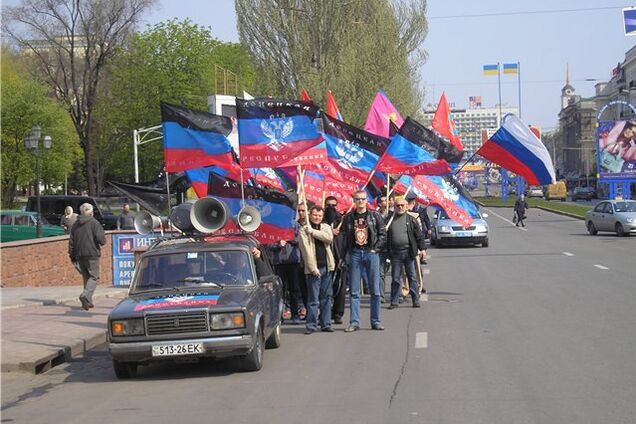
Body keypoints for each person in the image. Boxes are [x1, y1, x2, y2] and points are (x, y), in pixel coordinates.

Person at [341, 189, 387, 332]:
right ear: (354, 201)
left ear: (367, 200)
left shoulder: (374, 216)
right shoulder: (349, 218)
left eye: (362, 199)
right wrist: (343, 256)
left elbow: (382, 234)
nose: (360, 202)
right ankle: (354, 322)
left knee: (375, 290)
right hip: (355, 253)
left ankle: (376, 321)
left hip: (370, 253)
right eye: (357, 199)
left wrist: (375, 248)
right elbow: (344, 238)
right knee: (354, 291)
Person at [298, 206, 335, 334]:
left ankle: (326, 324)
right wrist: (313, 268)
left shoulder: (325, 227)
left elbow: (329, 238)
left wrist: (313, 232)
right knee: (313, 299)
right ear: (310, 214)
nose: (317, 218)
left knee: (326, 297)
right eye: (315, 215)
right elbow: (306, 251)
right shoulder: (303, 230)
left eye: (319, 216)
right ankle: (311, 325)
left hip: (327, 266)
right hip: (313, 269)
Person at [386, 196, 427, 308]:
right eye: (397, 205)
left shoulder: (411, 219)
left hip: (408, 253)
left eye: (402, 205)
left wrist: (422, 249)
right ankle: (394, 302)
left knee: (412, 277)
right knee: (395, 278)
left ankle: (415, 300)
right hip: (395, 254)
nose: (400, 207)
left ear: (406, 206)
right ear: (394, 207)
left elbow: (419, 236)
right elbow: (384, 235)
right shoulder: (389, 220)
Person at [68, 203, 106, 310]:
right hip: (92, 253)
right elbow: (101, 240)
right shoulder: (94, 223)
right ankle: (85, 296)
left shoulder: (75, 224)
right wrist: (102, 241)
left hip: (79, 254)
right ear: (91, 212)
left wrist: (72, 255)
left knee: (86, 277)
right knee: (94, 277)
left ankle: (87, 302)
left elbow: (71, 241)